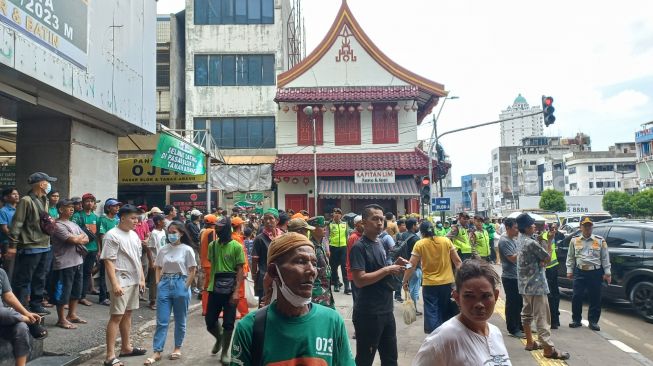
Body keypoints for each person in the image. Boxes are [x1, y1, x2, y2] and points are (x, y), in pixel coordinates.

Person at [230, 232, 355, 365]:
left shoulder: (332, 322)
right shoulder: (250, 328)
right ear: (273, 271)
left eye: (314, 263)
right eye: (300, 261)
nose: (312, 270)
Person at [412, 260, 511, 366]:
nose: (479, 304)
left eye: (486, 296)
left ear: (495, 296)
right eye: (469, 296)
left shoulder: (495, 333)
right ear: (456, 297)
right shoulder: (441, 341)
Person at [350, 204, 407, 366]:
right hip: (369, 312)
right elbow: (359, 280)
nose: (380, 223)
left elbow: (379, 271)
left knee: (390, 359)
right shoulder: (359, 247)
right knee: (365, 359)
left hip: (386, 309)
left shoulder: (380, 243)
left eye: (382, 219)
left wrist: (395, 265)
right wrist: (388, 269)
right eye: (375, 219)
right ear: (364, 223)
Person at [516, 213, 569, 360]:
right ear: (526, 227)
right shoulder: (531, 243)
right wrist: (550, 241)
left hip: (524, 284)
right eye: (532, 224)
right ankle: (548, 349)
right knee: (542, 317)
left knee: (526, 313)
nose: (535, 226)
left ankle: (530, 342)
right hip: (537, 285)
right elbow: (546, 257)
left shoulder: (520, 239)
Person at [143, 221, 197, 365]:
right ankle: (157, 351)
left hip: (181, 282)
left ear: (181, 233)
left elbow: (192, 270)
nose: (171, 234)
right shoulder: (163, 249)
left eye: (174, 232)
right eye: (170, 232)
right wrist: (158, 283)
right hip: (165, 284)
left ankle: (177, 348)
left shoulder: (187, 250)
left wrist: (186, 286)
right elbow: (158, 267)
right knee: (162, 320)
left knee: (180, 320)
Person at [100, 204, 147, 366]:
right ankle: (109, 356)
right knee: (116, 316)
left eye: (137, 218)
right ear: (122, 218)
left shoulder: (134, 235)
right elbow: (108, 261)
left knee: (128, 314)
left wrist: (141, 278)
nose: (136, 221)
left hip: (134, 281)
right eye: (133, 218)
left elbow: (137, 259)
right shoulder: (112, 235)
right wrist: (115, 284)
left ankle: (126, 347)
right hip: (121, 281)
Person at [9, 172, 57, 316]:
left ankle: (36, 304)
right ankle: (21, 306)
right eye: (48, 182)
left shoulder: (45, 200)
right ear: (42, 184)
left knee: (40, 277)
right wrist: (12, 246)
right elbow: (17, 224)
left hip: (45, 245)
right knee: (24, 278)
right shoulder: (26, 200)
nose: (49, 185)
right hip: (30, 246)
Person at [403, 220, 462, 333]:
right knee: (445, 309)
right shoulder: (446, 241)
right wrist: (462, 281)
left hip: (430, 284)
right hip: (447, 283)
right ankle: (446, 335)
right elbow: (458, 262)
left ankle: (435, 336)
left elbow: (411, 264)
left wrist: (404, 280)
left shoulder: (420, 244)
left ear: (422, 232)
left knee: (431, 311)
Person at [205, 217, 244, 363]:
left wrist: (236, 291)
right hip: (214, 288)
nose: (218, 230)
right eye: (217, 227)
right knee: (210, 321)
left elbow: (240, 269)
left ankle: (225, 352)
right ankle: (219, 338)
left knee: (228, 322)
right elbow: (211, 262)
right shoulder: (212, 245)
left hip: (231, 289)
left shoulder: (236, 246)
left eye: (221, 227)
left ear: (227, 229)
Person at [50, 198, 89, 329]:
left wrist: (78, 239)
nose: (72, 208)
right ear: (61, 209)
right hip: (64, 263)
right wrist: (77, 238)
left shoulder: (73, 224)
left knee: (76, 290)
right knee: (63, 291)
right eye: (68, 207)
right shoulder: (57, 225)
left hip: (77, 261)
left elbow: (87, 237)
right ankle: (61, 319)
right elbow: (72, 240)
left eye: (73, 206)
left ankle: (72, 315)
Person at [566, 217, 611, 331]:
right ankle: (576, 319)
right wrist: (569, 270)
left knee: (595, 297)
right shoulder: (574, 240)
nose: (587, 228)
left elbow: (605, 258)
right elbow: (570, 257)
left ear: (592, 227)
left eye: (589, 226)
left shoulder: (600, 240)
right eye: (585, 226)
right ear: (581, 227)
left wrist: (607, 273)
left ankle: (593, 321)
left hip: (595, 272)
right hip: (580, 271)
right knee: (577, 296)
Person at [0, 267, 46, 366]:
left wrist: (26, 313)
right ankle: (27, 321)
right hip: (3, 314)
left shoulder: (1, 272)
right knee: (4, 313)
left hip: (3, 319)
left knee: (21, 327)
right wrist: (24, 317)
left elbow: (9, 296)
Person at [497, 217, 524, 338]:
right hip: (510, 277)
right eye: (515, 228)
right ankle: (513, 329)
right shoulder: (504, 241)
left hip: (517, 276)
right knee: (512, 303)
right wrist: (524, 251)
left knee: (518, 303)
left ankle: (519, 325)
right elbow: (512, 259)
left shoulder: (513, 238)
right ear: (508, 228)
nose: (517, 230)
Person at [73, 193, 100, 307]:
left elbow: (98, 235)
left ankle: (82, 296)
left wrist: (99, 250)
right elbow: (74, 231)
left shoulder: (96, 218)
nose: (89, 203)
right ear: (83, 203)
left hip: (93, 249)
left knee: (87, 273)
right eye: (87, 201)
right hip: (80, 249)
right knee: (77, 273)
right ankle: (74, 296)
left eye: (91, 201)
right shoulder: (77, 216)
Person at [251, 208, 283, 306]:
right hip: (264, 276)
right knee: (264, 305)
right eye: (265, 219)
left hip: (281, 277)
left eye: (271, 218)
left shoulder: (283, 236)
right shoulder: (259, 239)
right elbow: (254, 260)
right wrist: (254, 275)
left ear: (277, 221)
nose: (268, 221)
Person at [306, 216, 335, 308]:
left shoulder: (321, 243)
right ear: (313, 229)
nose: (325, 229)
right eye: (321, 226)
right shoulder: (310, 246)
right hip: (317, 291)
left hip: (326, 288)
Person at [97, 198, 121, 306]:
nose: (117, 208)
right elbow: (101, 236)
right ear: (108, 207)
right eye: (115, 206)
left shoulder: (117, 220)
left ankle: (110, 294)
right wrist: (101, 250)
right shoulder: (103, 219)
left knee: (113, 273)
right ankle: (103, 297)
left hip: (116, 251)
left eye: (118, 206)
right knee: (104, 274)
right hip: (106, 250)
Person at [398, 218, 423, 315]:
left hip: (405, 264)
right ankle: (414, 309)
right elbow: (418, 256)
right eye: (416, 224)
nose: (417, 226)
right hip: (414, 266)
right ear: (413, 226)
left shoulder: (402, 235)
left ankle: (410, 305)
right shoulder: (415, 239)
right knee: (414, 288)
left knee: (407, 286)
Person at [546, 223, 565, 329]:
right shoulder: (545, 237)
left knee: (554, 295)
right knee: (550, 296)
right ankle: (553, 320)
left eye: (554, 228)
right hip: (546, 269)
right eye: (551, 228)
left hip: (552, 268)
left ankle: (554, 319)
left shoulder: (557, 236)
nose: (554, 230)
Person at [231, 216, 250, 318]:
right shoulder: (237, 239)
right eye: (242, 224)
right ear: (239, 226)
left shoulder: (234, 237)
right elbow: (242, 257)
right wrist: (244, 270)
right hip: (239, 269)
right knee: (240, 291)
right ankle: (243, 313)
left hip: (235, 268)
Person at [146, 215, 167, 310]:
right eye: (163, 220)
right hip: (156, 260)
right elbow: (149, 249)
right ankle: (152, 301)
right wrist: (151, 262)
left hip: (164, 260)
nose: (165, 222)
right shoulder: (153, 233)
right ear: (158, 222)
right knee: (154, 281)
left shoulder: (163, 231)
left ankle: (160, 299)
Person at [327, 208, 349, 293]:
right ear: (333, 214)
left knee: (344, 266)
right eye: (335, 213)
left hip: (343, 247)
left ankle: (347, 285)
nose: (337, 215)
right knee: (334, 267)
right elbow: (326, 237)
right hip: (333, 247)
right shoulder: (329, 224)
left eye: (338, 213)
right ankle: (336, 283)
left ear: (341, 215)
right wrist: (327, 249)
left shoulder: (345, 224)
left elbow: (347, 236)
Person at [198, 214, 217, 313]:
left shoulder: (204, 231)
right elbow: (213, 247)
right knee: (211, 286)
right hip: (210, 263)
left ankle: (205, 308)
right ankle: (208, 309)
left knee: (207, 286)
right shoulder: (212, 232)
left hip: (205, 262)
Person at [0, 187, 19, 279]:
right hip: (8, 243)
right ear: (6, 197)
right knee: (9, 269)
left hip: (19, 243)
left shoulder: (18, 210)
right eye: (13, 194)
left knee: (17, 270)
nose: (17, 195)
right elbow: (4, 228)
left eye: (17, 194)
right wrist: (14, 239)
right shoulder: (3, 211)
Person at [345, 215, 363, 298]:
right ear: (356, 225)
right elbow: (353, 258)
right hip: (355, 272)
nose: (364, 225)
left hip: (362, 272)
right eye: (361, 223)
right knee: (358, 297)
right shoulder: (354, 237)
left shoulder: (362, 236)